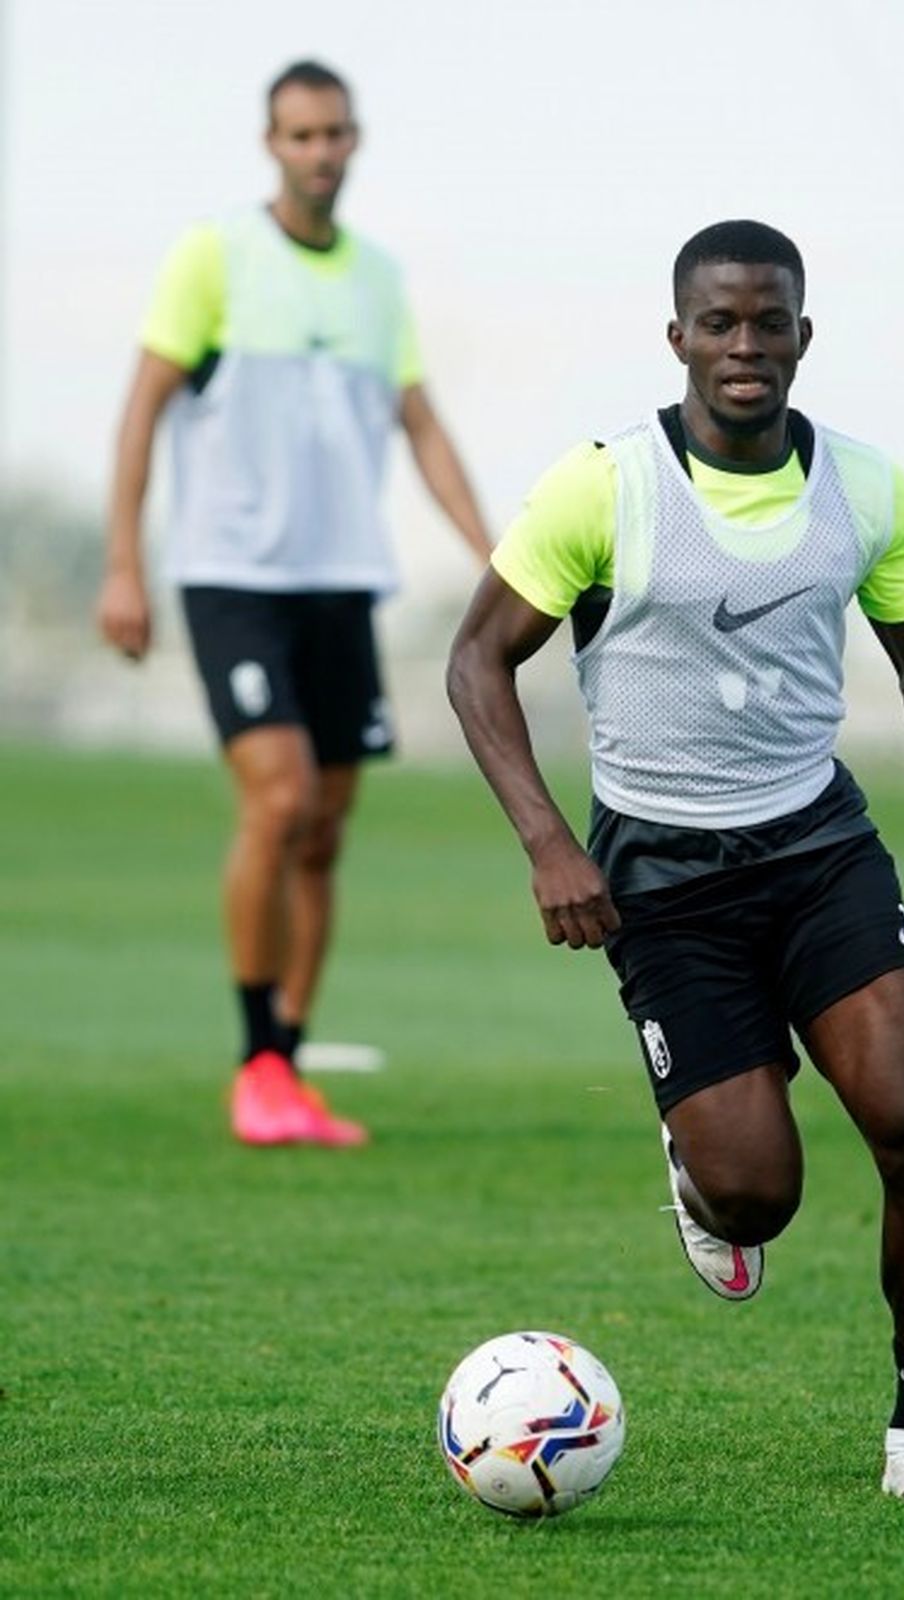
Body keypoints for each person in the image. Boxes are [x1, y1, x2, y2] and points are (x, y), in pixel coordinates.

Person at [448, 219, 904, 1504]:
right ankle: (700, 1163)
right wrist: (550, 840)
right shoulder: (602, 486)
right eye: (718, 323)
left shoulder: (867, 489)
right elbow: (476, 661)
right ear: (676, 336)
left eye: (767, 321)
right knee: (755, 1197)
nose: (744, 346)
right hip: (662, 879)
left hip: (818, 845)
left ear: (802, 334)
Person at [97, 59, 493, 1147]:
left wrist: (494, 554)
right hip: (232, 576)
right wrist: (122, 561)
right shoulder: (214, 256)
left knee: (322, 829)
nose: (321, 151)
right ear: (272, 144)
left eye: (335, 133)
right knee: (274, 801)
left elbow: (420, 424)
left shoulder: (378, 279)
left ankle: (288, 1058)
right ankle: (257, 1061)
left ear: (355, 141)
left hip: (339, 581)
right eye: (301, 134)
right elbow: (140, 412)